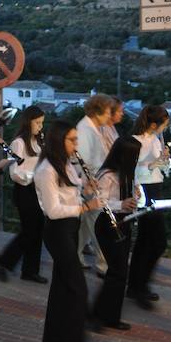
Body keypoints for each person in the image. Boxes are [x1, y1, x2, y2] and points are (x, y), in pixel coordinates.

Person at [36, 120, 104, 342]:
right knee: (77, 288)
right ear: (58, 140)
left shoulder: (66, 164)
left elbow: (72, 195)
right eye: (72, 140)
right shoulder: (47, 170)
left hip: (70, 228)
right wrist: (87, 206)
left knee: (62, 287)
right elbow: (54, 211)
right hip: (57, 230)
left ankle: (53, 341)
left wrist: (87, 189)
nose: (76, 144)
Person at [0, 105, 48, 283]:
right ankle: (3, 262)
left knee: (38, 230)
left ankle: (30, 271)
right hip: (25, 190)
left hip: (39, 190)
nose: (40, 126)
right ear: (28, 122)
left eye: (42, 123)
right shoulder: (19, 142)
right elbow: (14, 172)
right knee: (29, 231)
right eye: (37, 122)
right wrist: (33, 176)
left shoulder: (40, 141)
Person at [90, 135, 141, 331]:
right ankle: (98, 315)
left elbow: (134, 196)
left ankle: (111, 316)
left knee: (120, 272)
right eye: (134, 156)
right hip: (108, 224)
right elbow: (100, 203)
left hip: (124, 222)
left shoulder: (128, 173)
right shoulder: (107, 174)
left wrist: (136, 195)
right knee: (116, 272)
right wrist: (122, 203)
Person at [127, 105, 171, 309]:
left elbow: (158, 166)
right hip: (145, 189)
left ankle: (138, 284)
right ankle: (138, 284)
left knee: (148, 239)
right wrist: (153, 165)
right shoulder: (137, 141)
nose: (164, 129)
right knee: (154, 239)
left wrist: (165, 161)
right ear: (154, 124)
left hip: (156, 186)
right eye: (163, 124)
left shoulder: (154, 139)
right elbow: (131, 169)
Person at [75, 94, 113, 275]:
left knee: (85, 224)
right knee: (98, 224)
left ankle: (76, 256)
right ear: (97, 112)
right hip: (92, 184)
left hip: (98, 182)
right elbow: (83, 161)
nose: (109, 116)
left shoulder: (97, 128)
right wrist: (88, 185)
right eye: (107, 112)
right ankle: (104, 265)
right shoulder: (84, 130)